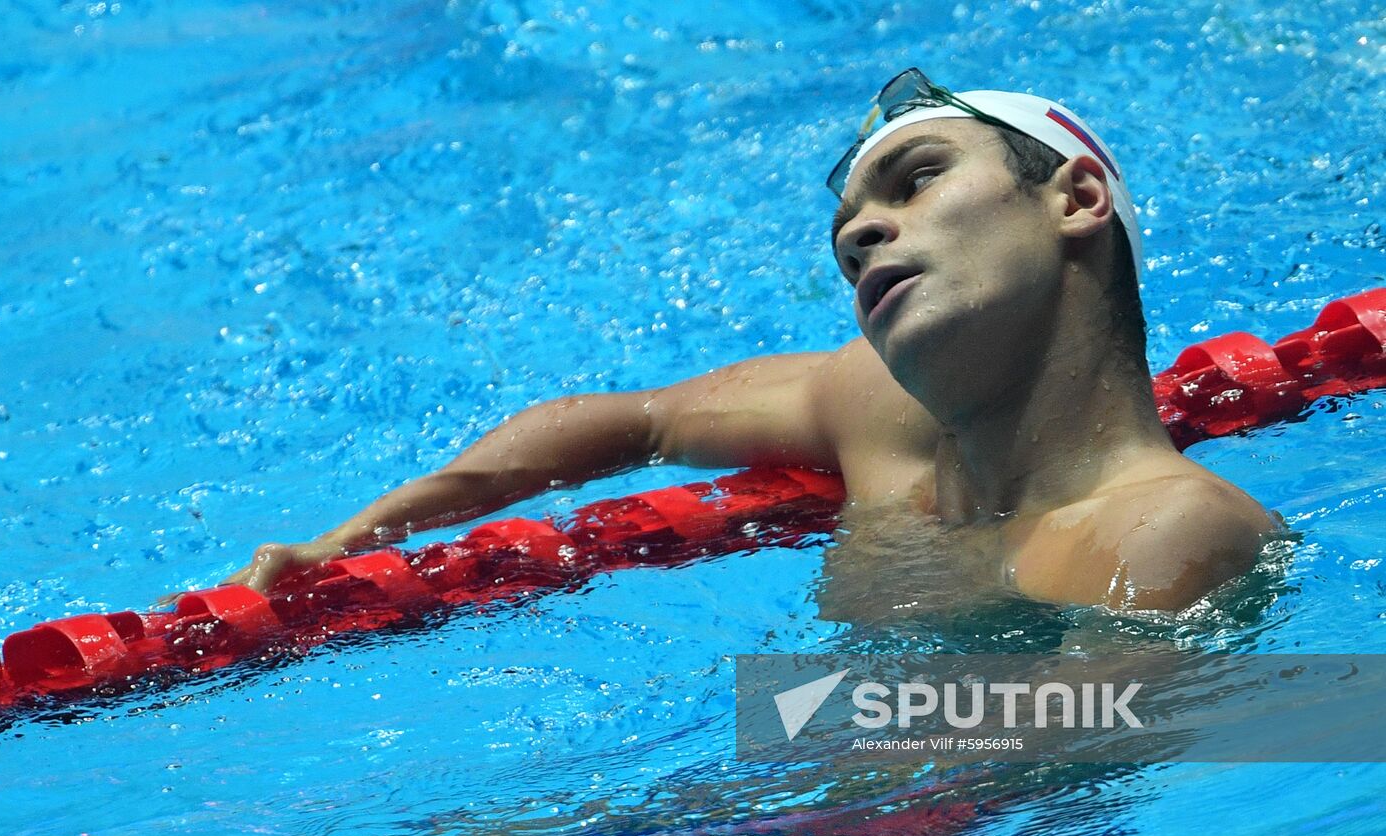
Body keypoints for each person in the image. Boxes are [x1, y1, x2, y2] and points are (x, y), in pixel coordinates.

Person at [223, 68, 1275, 611]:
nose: (862, 233)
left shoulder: (1164, 531)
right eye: (846, 237)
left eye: (916, 183)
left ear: (1074, 197)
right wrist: (359, 535)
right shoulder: (879, 413)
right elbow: (637, 422)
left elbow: (1050, 780)